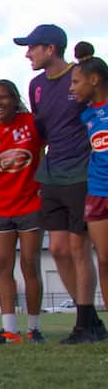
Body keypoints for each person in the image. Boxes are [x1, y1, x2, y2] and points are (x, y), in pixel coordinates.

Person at [15, 24, 104, 343]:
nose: (28, 54)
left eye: (32, 47)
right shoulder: (36, 85)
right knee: (57, 249)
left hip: (81, 171)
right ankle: (90, 319)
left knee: (79, 248)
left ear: (50, 48)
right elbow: (40, 128)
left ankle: (83, 323)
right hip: (51, 172)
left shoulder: (79, 76)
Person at [0, 79, 46, 344]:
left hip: (32, 204)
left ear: (15, 99)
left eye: (3, 97)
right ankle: (9, 330)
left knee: (30, 264)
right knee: (2, 266)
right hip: (0, 208)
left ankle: (34, 328)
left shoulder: (33, 123)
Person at [73, 58, 108, 320]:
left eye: (76, 82)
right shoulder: (85, 113)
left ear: (94, 80)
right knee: (104, 259)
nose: (72, 88)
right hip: (97, 190)